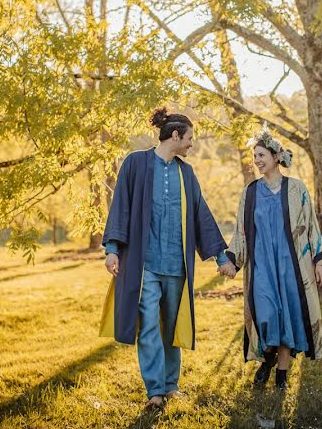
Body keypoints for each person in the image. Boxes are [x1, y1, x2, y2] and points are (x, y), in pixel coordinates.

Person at [99, 107, 237, 407]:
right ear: (174, 136)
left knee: (171, 326)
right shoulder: (135, 163)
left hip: (177, 264)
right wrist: (112, 249)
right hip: (144, 264)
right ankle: (155, 392)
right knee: (148, 325)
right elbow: (120, 205)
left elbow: (201, 215)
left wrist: (220, 257)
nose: (191, 145)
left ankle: (171, 384)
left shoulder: (185, 173)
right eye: (189, 138)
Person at [225, 126, 322, 390]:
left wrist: (320, 261)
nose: (257, 161)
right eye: (255, 156)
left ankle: (282, 375)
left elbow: (312, 226)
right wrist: (231, 260)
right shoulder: (249, 192)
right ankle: (267, 359)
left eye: (261, 155)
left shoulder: (296, 189)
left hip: (291, 267)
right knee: (267, 316)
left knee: (288, 320)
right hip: (262, 268)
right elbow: (241, 231)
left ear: (275, 156)